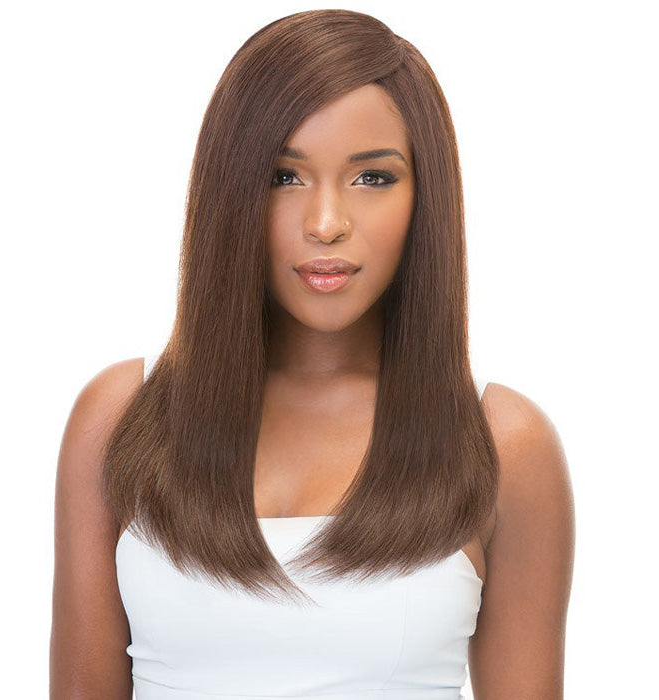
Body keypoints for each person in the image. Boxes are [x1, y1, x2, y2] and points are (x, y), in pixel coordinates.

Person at [50, 9, 575, 700]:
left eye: (373, 178)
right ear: (230, 191)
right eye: (284, 177)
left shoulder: (504, 443)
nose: (327, 223)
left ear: (426, 197)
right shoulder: (119, 418)